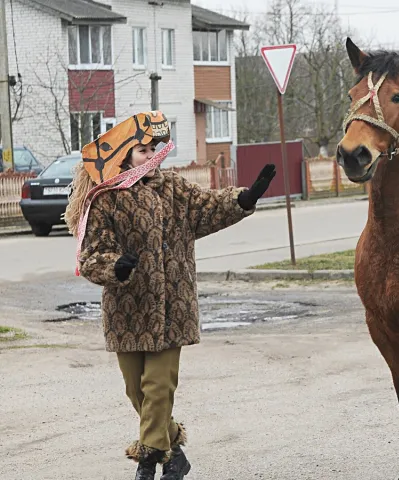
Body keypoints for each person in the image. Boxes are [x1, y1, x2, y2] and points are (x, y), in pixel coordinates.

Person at [64, 111, 277, 480]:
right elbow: (92, 253)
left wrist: (244, 198)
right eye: (141, 150)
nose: (149, 155)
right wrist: (115, 267)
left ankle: (148, 463)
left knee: (158, 388)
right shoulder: (107, 199)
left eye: (153, 149)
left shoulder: (174, 189)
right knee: (138, 393)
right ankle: (174, 451)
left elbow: (209, 207)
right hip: (127, 310)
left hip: (171, 309)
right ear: (126, 156)